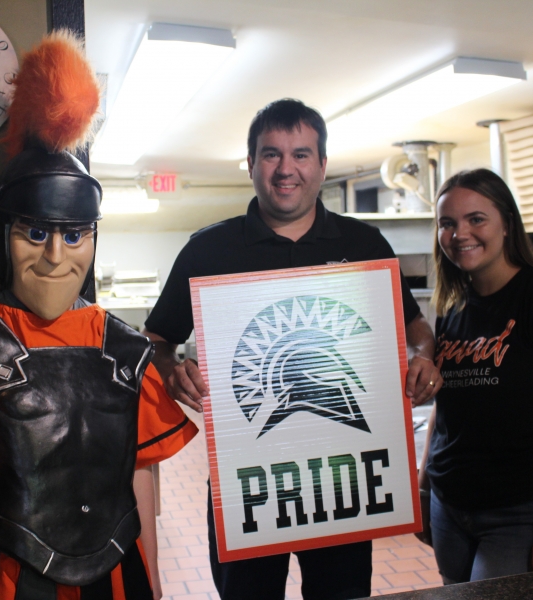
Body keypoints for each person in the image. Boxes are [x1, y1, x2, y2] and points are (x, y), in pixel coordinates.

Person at [0, 32, 197, 600]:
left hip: (119, 580)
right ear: (3, 236)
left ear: (93, 238)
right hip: (7, 583)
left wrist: (156, 582)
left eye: (73, 235)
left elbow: (140, 476)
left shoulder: (125, 351)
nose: (55, 256)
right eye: (36, 232)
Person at [142, 98, 442, 600]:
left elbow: (416, 327)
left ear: (322, 164)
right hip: (248, 483)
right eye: (271, 154)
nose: (286, 169)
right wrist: (171, 370)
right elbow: (154, 342)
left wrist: (424, 356)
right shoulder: (208, 250)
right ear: (252, 163)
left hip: (343, 479)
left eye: (301, 154)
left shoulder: (365, 244)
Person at [417, 168, 533, 584]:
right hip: (450, 505)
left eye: (476, 219)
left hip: (521, 511)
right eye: (447, 223)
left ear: (507, 223)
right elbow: (443, 414)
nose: (460, 233)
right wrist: (423, 485)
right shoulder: (453, 306)